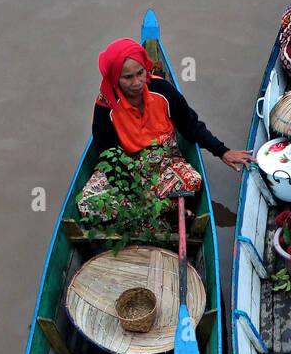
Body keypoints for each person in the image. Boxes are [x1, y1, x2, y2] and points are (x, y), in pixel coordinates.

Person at [77, 38, 251, 234]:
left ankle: (148, 217)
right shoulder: (105, 107)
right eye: (127, 77)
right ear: (115, 77)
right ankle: (163, 215)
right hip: (126, 168)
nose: (136, 82)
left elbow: (191, 126)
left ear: (146, 69)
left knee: (192, 180)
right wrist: (138, 193)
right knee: (88, 203)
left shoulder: (163, 90)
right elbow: (109, 157)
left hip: (163, 162)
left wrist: (223, 151)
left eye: (140, 73)